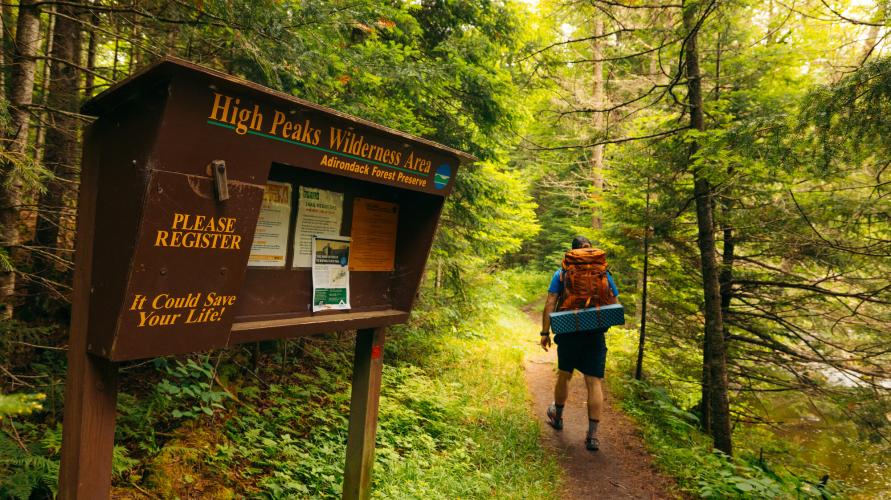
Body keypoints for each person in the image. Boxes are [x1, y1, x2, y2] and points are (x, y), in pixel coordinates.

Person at [539, 236, 619, 451]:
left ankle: (558, 417)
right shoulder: (602, 272)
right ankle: (592, 437)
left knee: (564, 375)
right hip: (595, 333)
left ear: (572, 253)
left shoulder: (562, 273)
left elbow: (549, 303)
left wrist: (545, 332)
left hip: (568, 330)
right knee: (594, 382)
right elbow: (615, 303)